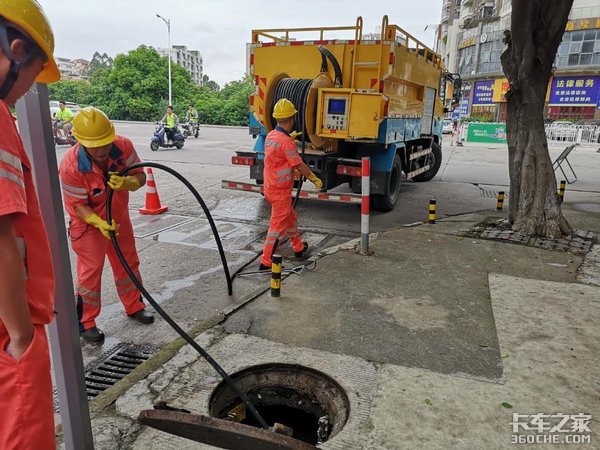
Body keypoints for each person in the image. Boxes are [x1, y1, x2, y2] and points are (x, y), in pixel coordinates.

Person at [0, 1, 61, 448]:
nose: (26, 91)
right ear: (16, 51)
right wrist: (21, 339)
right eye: (33, 77)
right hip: (8, 333)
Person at [59, 107, 155, 343]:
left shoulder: (123, 146)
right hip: (88, 224)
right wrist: (97, 222)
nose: (102, 149)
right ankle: (86, 322)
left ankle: (134, 306)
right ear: (80, 141)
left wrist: (128, 181)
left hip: (119, 217)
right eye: (95, 145)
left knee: (128, 263)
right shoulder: (71, 167)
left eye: (105, 142)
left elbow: (141, 176)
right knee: (90, 273)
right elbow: (78, 205)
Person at [259, 98, 323, 270]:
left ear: (277, 118)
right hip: (280, 192)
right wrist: (313, 177)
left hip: (270, 188)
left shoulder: (272, 135)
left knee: (290, 219)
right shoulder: (286, 142)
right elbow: (298, 164)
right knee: (276, 229)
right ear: (292, 118)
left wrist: (288, 137)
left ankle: (299, 248)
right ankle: (266, 261)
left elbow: (278, 157)